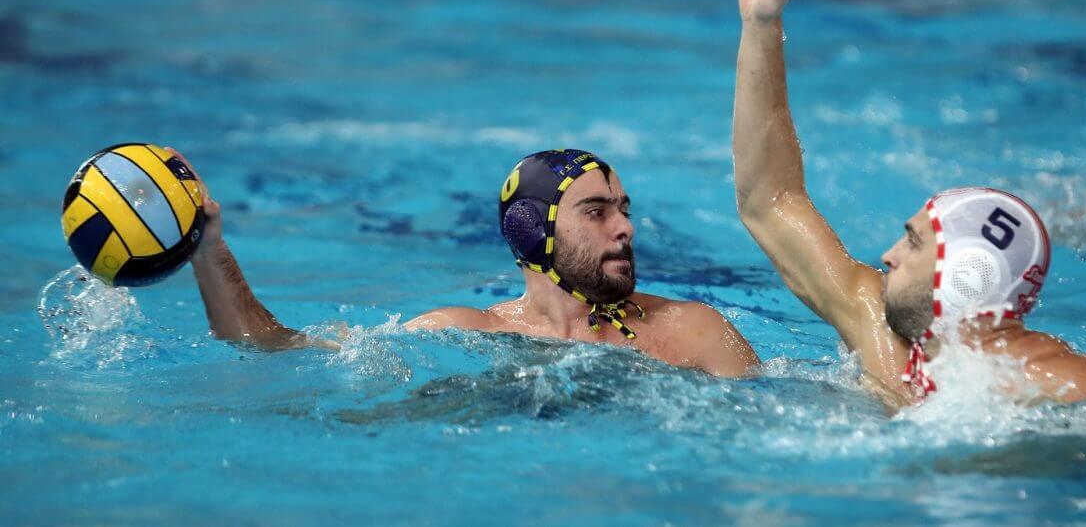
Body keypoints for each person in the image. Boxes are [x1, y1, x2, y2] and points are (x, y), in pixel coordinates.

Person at [732, 0, 1086, 411]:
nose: (888, 255)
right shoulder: (880, 330)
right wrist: (760, 25)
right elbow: (770, 202)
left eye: (913, 242)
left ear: (965, 274)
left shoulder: (1059, 382)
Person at [179, 148, 761, 378]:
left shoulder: (695, 331)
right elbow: (273, 349)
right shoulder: (465, 334)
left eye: (624, 210)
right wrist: (210, 250)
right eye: (596, 211)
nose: (625, 227)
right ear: (532, 232)